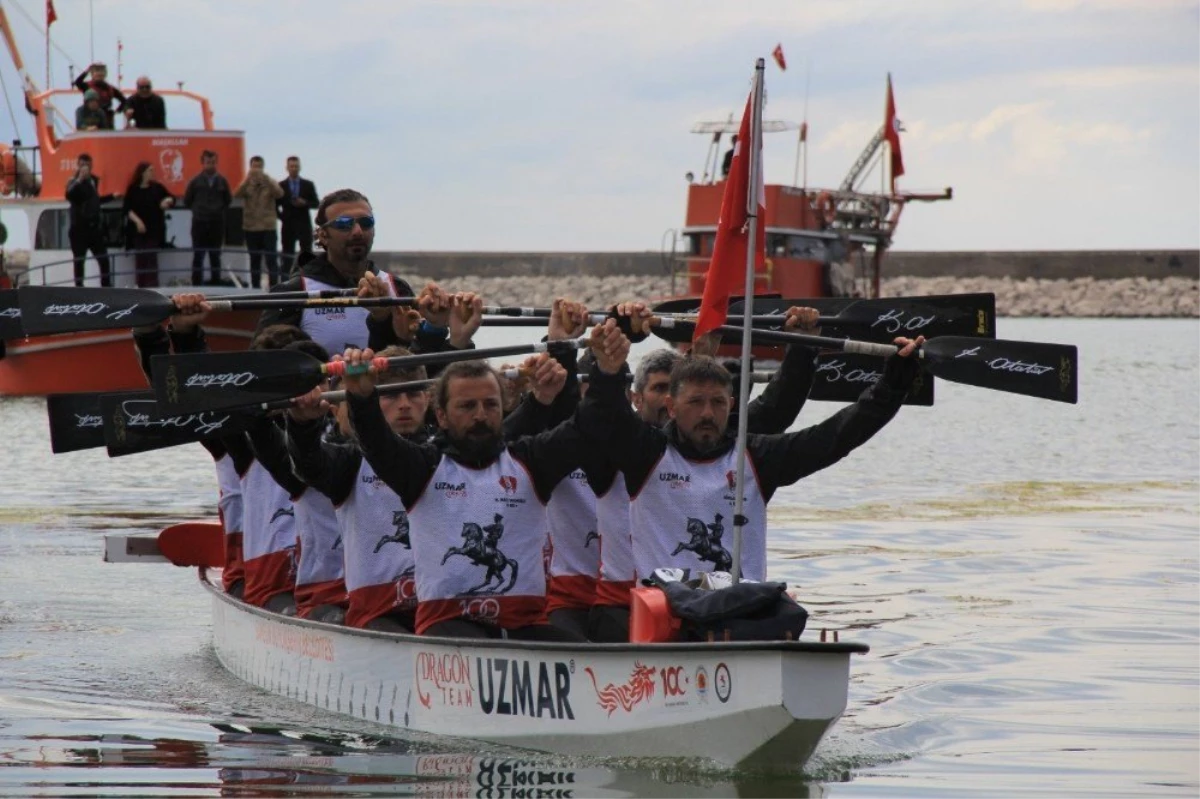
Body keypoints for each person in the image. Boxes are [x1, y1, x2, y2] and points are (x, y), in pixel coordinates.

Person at [580, 320, 924, 585]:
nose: (706, 414)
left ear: (731, 406)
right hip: (664, 618)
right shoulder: (646, 452)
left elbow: (838, 435)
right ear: (670, 407)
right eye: (695, 402)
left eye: (716, 403)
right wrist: (607, 369)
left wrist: (894, 383)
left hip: (737, 614)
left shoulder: (757, 457)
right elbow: (602, 416)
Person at [342, 344, 608, 641]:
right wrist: (362, 398)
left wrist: (606, 372)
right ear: (441, 416)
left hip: (523, 626)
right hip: (449, 626)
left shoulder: (530, 461)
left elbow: (588, 428)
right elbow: (377, 443)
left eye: (491, 405)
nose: (481, 415)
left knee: (586, 656)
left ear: (503, 407)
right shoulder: (422, 469)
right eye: (467, 406)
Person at [288, 347, 438, 632]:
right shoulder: (351, 461)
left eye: (413, 394)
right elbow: (308, 465)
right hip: (379, 616)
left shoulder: (445, 454)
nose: (404, 405)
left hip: (441, 610)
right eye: (391, 395)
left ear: (429, 398)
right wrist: (301, 424)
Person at [256, 188, 457, 359]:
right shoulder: (293, 292)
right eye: (344, 224)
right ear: (322, 235)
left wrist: (437, 327)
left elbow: (420, 366)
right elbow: (260, 360)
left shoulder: (397, 288)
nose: (358, 231)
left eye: (366, 223)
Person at [183, 150, 232, 285]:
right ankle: (196, 283)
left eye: (213, 162)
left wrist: (217, 211)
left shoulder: (223, 182)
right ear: (202, 163)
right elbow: (188, 200)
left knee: (215, 255)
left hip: (217, 223)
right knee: (198, 255)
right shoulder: (195, 182)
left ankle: (216, 282)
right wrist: (199, 211)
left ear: (216, 162)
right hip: (199, 223)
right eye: (207, 162)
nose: (210, 165)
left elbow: (228, 200)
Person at [122, 162, 175, 287]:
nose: (153, 173)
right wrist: (138, 221)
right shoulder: (133, 189)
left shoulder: (157, 188)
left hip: (154, 230)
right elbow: (126, 209)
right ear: (143, 173)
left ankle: (153, 287)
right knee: (140, 260)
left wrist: (167, 201)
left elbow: (171, 197)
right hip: (138, 231)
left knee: (152, 260)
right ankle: (140, 286)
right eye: (150, 170)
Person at [234, 156, 284, 288]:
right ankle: (255, 288)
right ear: (250, 167)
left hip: (268, 227)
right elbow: (236, 195)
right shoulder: (246, 184)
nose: (257, 169)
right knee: (254, 260)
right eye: (254, 166)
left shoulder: (269, 182)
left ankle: (274, 287)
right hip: (251, 227)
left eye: (259, 167)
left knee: (271, 259)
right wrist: (247, 179)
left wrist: (266, 179)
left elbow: (280, 193)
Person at [65, 154, 114, 287]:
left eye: (87, 166)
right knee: (79, 261)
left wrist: (112, 197)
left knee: (104, 259)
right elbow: (69, 194)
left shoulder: (94, 181)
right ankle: (79, 288)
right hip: (78, 229)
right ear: (78, 166)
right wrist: (79, 179)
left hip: (93, 228)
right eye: (82, 166)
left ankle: (106, 287)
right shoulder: (73, 181)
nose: (85, 169)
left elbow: (95, 200)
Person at [277, 156, 319, 276]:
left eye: (296, 166)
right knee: (286, 256)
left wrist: (304, 203)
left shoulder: (308, 184)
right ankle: (285, 281)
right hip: (288, 225)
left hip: (304, 224)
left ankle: (309, 279)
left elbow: (316, 203)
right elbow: (275, 206)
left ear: (299, 167)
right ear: (287, 168)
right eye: (291, 166)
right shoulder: (281, 185)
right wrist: (282, 218)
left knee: (307, 254)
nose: (294, 169)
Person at [73, 62, 124, 127]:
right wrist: (87, 71)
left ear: (105, 74)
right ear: (92, 74)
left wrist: (117, 111)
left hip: (107, 117)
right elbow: (78, 82)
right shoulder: (87, 86)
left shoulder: (110, 88)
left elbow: (123, 100)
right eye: (97, 71)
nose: (99, 73)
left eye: (102, 71)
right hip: (92, 117)